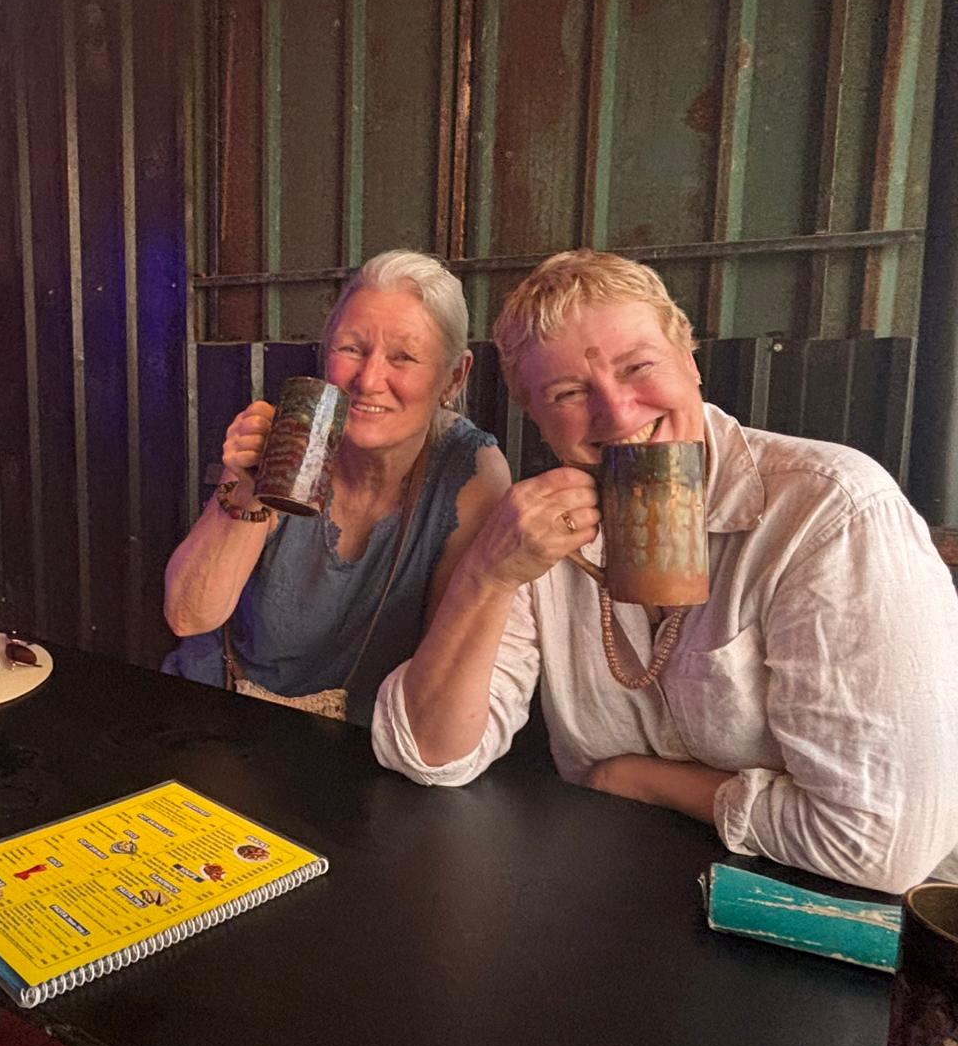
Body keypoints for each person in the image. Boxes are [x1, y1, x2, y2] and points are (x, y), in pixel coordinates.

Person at [372, 248, 958, 893]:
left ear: (689, 358)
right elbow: (429, 756)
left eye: (639, 367)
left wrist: (641, 781)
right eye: (568, 393)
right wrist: (488, 574)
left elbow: (881, 846)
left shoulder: (830, 510)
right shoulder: (540, 536)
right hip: (624, 893)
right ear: (533, 415)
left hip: (861, 919)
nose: (618, 412)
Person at [164, 250, 509, 724]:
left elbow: (441, 678)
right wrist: (245, 486)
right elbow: (188, 616)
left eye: (404, 357)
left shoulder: (469, 472)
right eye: (351, 349)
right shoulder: (292, 433)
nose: (368, 380)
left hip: (359, 738)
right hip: (220, 710)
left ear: (454, 377)